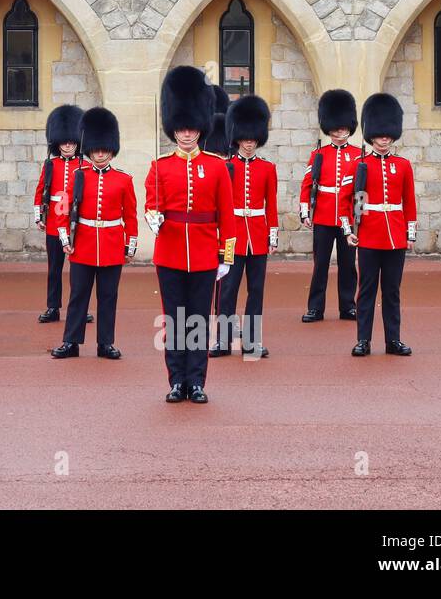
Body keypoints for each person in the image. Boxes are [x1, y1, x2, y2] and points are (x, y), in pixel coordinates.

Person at [144, 65, 237, 404]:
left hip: (203, 254)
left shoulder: (216, 166)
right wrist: (152, 216)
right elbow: (152, 202)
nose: (185, 134)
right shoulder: (160, 166)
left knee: (198, 320)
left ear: (200, 126)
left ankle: (197, 381)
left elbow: (227, 217)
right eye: (180, 128)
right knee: (175, 320)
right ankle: (176, 381)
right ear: (173, 129)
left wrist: (226, 257)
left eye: (191, 127)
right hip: (169, 254)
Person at [50, 107, 137, 360]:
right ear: (89, 149)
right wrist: (65, 238)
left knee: (108, 296)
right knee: (78, 295)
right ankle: (71, 341)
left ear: (112, 149)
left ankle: (105, 343)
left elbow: (130, 216)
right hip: (83, 244)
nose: (100, 154)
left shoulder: (124, 179)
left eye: (105, 149)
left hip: (111, 244)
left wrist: (129, 246)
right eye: (96, 149)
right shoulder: (78, 176)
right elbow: (62, 209)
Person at [345, 93, 417, 358]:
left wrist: (410, 233)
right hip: (368, 235)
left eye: (388, 134)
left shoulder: (403, 165)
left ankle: (393, 340)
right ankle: (363, 340)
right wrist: (348, 231)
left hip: (395, 235)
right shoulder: (359, 165)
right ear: (371, 135)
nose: (384, 138)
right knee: (366, 291)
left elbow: (409, 202)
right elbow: (346, 201)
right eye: (379, 134)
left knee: (392, 291)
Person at [211, 94, 277, 359]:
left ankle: (251, 342)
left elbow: (270, 204)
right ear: (236, 138)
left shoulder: (267, 168)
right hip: (231, 238)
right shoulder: (226, 167)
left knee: (256, 291)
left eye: (253, 139)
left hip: (258, 236)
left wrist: (272, 235)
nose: (249, 144)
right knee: (226, 290)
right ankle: (223, 341)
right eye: (244, 139)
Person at [298, 90, 362, 322]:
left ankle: (348, 306)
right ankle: (316, 308)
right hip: (323, 216)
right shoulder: (319, 154)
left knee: (348, 265)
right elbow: (307, 184)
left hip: (348, 219)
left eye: (343, 128)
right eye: (335, 128)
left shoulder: (358, 156)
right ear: (329, 128)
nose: (339, 132)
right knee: (320, 264)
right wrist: (305, 211)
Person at [33, 105, 91, 325]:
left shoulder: (84, 165)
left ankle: (80, 308)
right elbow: (41, 189)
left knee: (79, 270)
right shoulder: (51, 164)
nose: (68, 145)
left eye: (72, 142)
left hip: (76, 220)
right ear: (57, 143)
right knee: (54, 268)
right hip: (54, 221)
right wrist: (39, 215)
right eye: (64, 142)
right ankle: (52, 307)